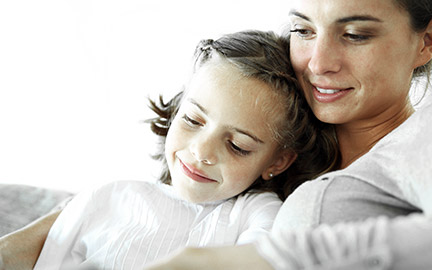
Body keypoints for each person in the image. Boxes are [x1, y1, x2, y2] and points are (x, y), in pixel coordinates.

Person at [142, 0, 432, 269]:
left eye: (355, 35)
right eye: (303, 30)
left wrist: (265, 261)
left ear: (428, 40)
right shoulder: (272, 157)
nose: (318, 64)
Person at [29, 30, 338, 269]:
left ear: (279, 161)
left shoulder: (255, 213)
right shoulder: (107, 198)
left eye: (237, 146)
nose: (201, 150)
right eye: (192, 119)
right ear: (178, 109)